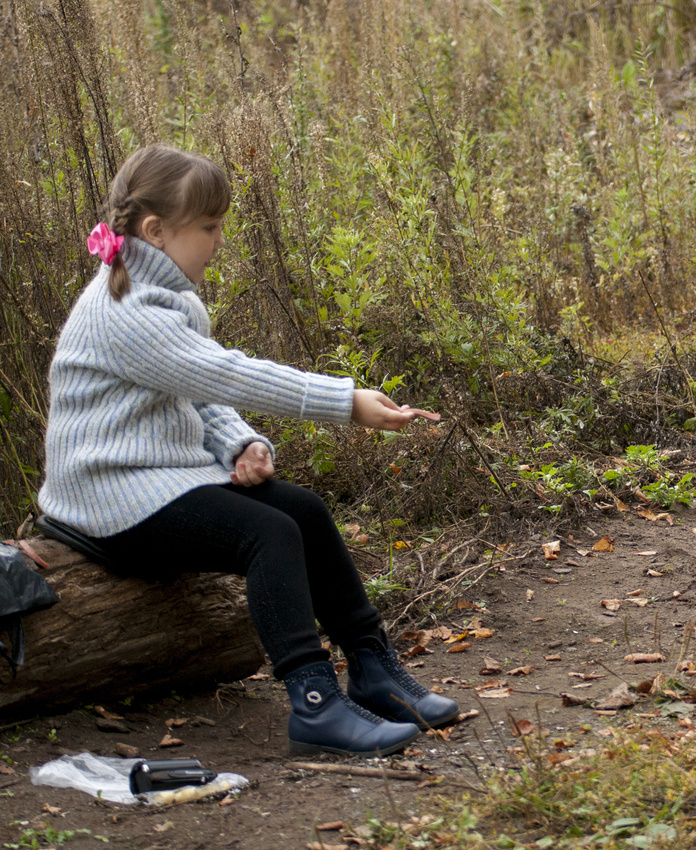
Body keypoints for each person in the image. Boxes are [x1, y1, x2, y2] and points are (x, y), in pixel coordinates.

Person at [39, 145, 458, 757]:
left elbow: (198, 391)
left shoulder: (166, 297)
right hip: (106, 497)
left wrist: (241, 441)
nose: (217, 240)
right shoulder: (121, 311)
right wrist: (345, 402)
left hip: (159, 479)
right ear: (157, 231)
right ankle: (315, 705)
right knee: (268, 533)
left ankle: (375, 671)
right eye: (208, 227)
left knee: (305, 511)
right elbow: (226, 376)